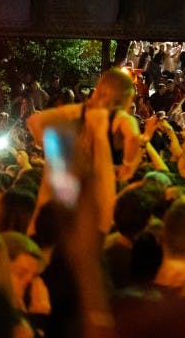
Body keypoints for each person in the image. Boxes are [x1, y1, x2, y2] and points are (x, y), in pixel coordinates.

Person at [26, 68, 143, 234]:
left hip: (66, 189)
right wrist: (127, 165)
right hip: (97, 196)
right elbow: (133, 136)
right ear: (125, 97)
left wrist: (50, 148)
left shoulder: (78, 110)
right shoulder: (117, 117)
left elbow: (34, 121)